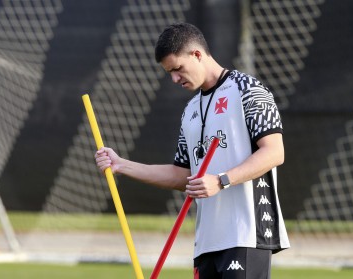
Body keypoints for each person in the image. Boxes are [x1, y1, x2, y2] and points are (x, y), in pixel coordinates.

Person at [95, 22, 290, 279]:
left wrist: (221, 181)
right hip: (206, 243)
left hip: (246, 235)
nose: (174, 78)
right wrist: (122, 165)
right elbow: (182, 174)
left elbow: (275, 152)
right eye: (169, 73)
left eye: (177, 69)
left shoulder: (249, 90)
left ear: (197, 54)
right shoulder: (190, 111)